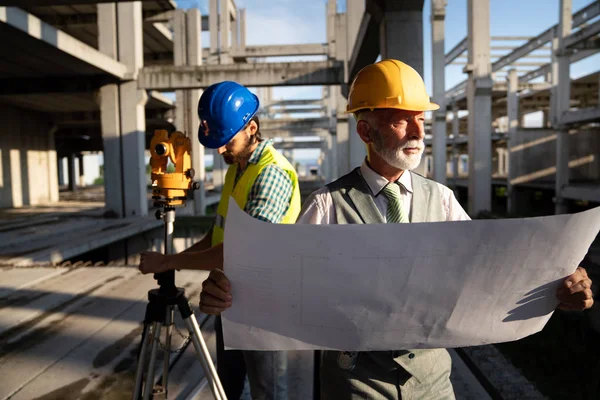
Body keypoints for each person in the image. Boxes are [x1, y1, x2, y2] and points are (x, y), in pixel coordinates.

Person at [197, 60, 595, 399]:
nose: (419, 133)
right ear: (366, 132)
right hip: (353, 390)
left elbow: (489, 275)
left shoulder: (441, 200)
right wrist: (230, 294)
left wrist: (555, 285)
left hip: (433, 386)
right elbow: (280, 287)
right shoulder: (325, 206)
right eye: (402, 121)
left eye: (421, 120)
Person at [139, 81, 302, 399]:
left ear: (252, 127)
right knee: (228, 385)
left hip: (265, 309)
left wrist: (169, 260)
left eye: (227, 140)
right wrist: (176, 261)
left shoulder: (271, 174)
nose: (220, 149)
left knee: (267, 391)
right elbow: (217, 235)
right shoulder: (237, 169)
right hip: (229, 300)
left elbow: (243, 252)